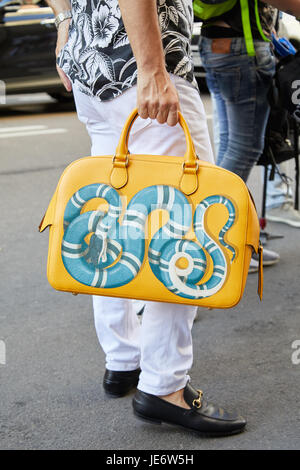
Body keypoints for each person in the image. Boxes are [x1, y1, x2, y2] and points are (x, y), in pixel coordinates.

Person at [46, 0, 300, 437]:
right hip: (146, 60)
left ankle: (123, 360)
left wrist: (66, 24)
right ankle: (163, 387)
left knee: (117, 218)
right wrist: (151, 69)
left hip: (93, 63)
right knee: (181, 229)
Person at [197, 1, 300, 268]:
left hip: (216, 45)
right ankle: (214, 245)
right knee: (243, 149)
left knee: (232, 147)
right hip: (243, 49)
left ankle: (223, 238)